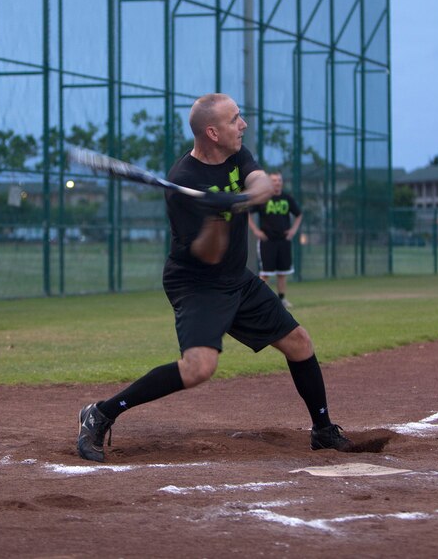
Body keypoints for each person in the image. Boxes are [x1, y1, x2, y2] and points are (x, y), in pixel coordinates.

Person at [76, 93, 353, 462]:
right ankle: (101, 412)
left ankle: (322, 430)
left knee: (299, 343)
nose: (243, 125)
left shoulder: (237, 153)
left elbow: (261, 187)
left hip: (236, 278)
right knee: (198, 368)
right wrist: (212, 216)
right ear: (212, 132)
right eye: (235, 119)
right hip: (197, 283)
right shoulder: (183, 182)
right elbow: (209, 253)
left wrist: (233, 201)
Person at [249, 172, 303, 308]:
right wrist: (256, 231)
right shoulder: (263, 198)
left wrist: (293, 230)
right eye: (274, 180)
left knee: (282, 273)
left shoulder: (287, 198)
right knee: (265, 273)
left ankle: (282, 299)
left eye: (279, 180)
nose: (277, 183)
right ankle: (260, 301)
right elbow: (247, 213)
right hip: (267, 240)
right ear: (269, 182)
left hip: (283, 240)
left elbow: (299, 214)